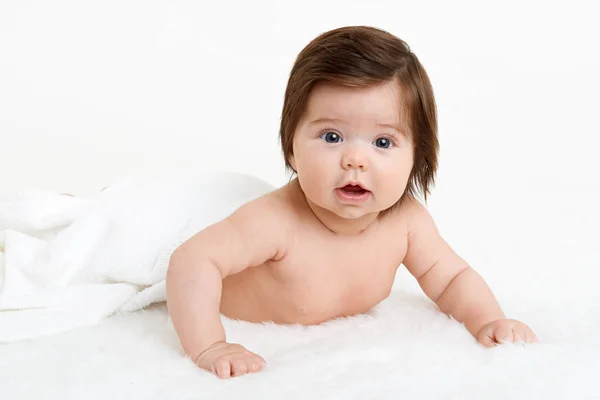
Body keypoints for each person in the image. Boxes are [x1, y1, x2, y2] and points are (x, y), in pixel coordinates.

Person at [166, 25, 538, 379]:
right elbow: (193, 260)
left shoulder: (406, 222)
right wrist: (210, 346)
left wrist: (488, 320)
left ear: (416, 158)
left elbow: (451, 279)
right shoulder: (275, 221)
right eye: (331, 136)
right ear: (291, 149)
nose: (355, 160)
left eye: (383, 142)